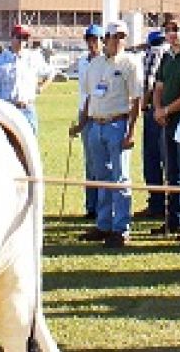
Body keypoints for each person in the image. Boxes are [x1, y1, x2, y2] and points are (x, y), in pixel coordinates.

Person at [74, 20, 142, 248]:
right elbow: (89, 97)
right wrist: (82, 124)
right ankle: (103, 224)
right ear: (107, 38)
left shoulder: (130, 63)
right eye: (115, 36)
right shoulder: (94, 65)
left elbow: (136, 100)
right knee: (101, 178)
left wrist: (131, 131)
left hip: (118, 124)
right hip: (95, 125)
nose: (119, 40)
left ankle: (121, 229)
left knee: (120, 178)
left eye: (123, 36)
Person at [152, 14, 180, 238]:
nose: (172, 33)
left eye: (176, 29)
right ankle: (173, 220)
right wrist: (158, 108)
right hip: (166, 121)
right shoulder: (166, 56)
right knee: (171, 171)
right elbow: (159, 86)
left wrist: (167, 110)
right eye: (168, 29)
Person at [0, 24, 54, 133]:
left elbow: (50, 73)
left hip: (27, 110)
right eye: (19, 37)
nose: (22, 41)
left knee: (29, 146)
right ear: (12, 38)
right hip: (6, 110)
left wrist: (39, 89)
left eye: (25, 38)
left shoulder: (34, 58)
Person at [69, 24, 105, 220]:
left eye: (96, 40)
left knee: (101, 165)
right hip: (84, 112)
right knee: (90, 164)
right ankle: (91, 206)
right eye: (90, 40)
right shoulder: (83, 62)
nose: (93, 43)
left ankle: (102, 207)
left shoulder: (105, 62)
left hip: (98, 114)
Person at [136, 30, 168, 220]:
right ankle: (174, 206)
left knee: (153, 159)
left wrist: (142, 105)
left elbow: (149, 83)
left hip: (154, 111)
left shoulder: (153, 53)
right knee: (172, 162)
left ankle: (156, 203)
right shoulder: (172, 53)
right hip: (173, 111)